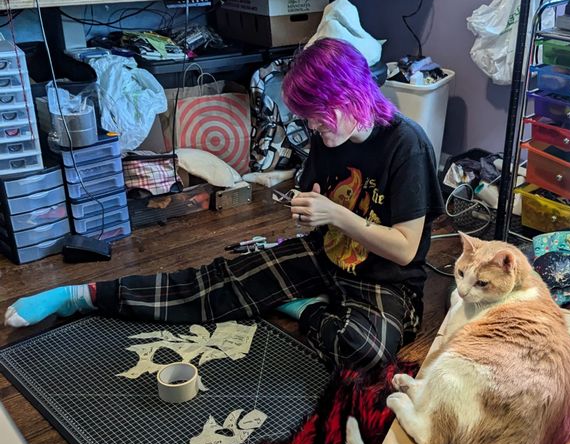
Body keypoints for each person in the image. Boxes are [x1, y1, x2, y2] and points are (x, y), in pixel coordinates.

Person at [5, 39, 445, 371]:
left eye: (316, 114)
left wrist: (337, 215)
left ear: (352, 95)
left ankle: (303, 307)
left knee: (363, 352)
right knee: (216, 283)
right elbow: (316, 198)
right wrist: (307, 204)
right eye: (305, 116)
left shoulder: (406, 145)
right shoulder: (328, 135)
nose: (310, 125)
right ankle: (82, 295)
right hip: (326, 255)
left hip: (386, 280)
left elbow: (406, 248)